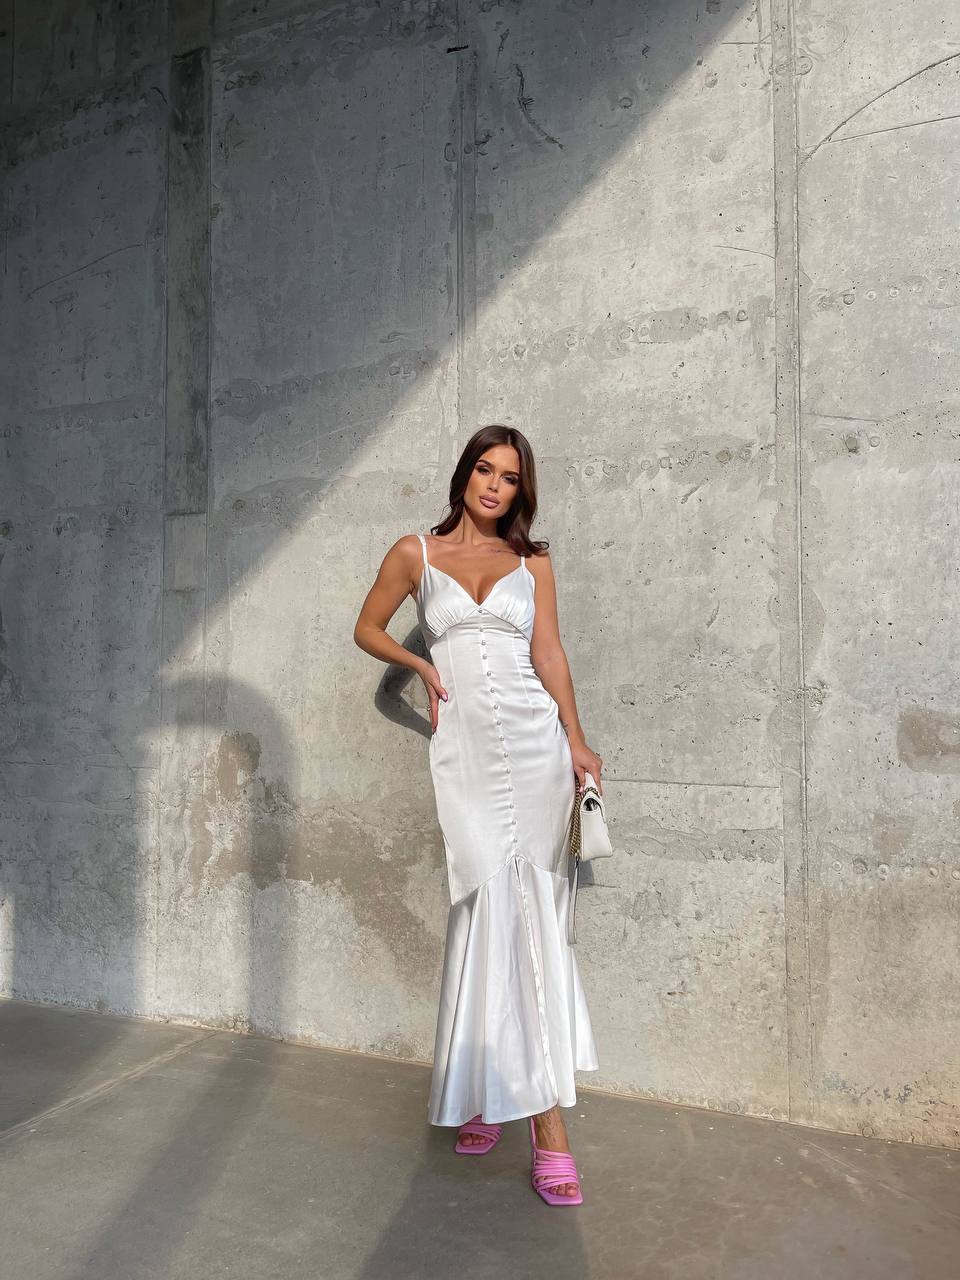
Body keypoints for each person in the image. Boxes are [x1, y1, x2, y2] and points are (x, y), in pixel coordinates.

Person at [353, 424, 603, 1205]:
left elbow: (550, 653)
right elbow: (366, 629)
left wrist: (577, 740)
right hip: (463, 751)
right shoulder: (414, 555)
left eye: (510, 478)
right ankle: (482, 1087)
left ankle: (547, 1128)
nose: (495, 486)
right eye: (485, 471)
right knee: (479, 909)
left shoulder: (533, 562)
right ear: (464, 475)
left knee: (531, 915)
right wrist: (420, 662)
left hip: (535, 751)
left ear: (521, 492)